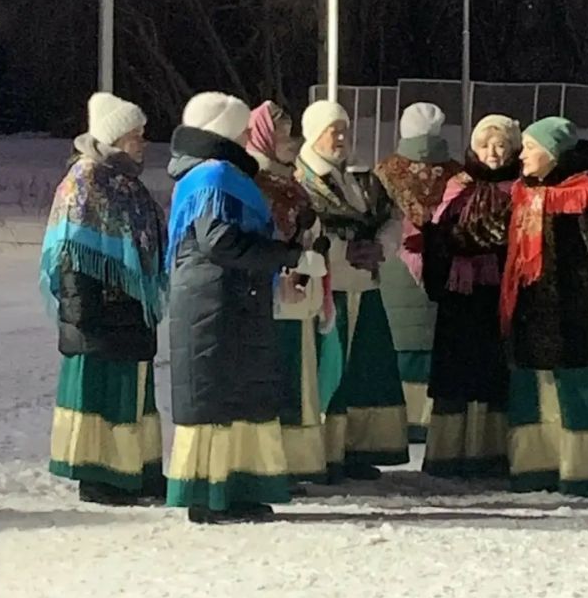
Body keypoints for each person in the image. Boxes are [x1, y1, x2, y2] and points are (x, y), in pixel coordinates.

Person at [164, 92, 325, 524]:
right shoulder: (214, 176)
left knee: (237, 396)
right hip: (216, 303)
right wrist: (288, 256)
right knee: (219, 399)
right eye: (238, 131)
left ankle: (236, 488)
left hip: (228, 300)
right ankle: (211, 495)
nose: (244, 137)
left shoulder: (213, 174)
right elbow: (220, 242)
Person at [41, 92, 166, 506]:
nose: (143, 142)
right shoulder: (85, 182)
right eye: (135, 135)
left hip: (129, 308)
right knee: (103, 393)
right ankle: (100, 475)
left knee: (131, 392)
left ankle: (135, 470)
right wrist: (82, 315)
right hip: (100, 312)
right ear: (114, 138)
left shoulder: (126, 184)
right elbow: (70, 251)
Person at [501, 116, 588, 499]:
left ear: (552, 152)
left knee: (583, 391)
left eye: (530, 147)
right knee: (537, 393)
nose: (521, 155)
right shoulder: (524, 191)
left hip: (573, 316)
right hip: (531, 311)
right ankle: (539, 465)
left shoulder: (586, 192)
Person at [297, 100, 409, 481]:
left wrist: (381, 246)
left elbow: (392, 217)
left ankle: (356, 447)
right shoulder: (302, 179)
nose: (342, 138)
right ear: (315, 133)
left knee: (363, 371)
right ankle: (323, 453)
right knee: (329, 370)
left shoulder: (362, 178)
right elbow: (305, 230)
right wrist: (344, 251)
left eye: (345, 130)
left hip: (365, 284)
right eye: (334, 131)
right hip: (329, 288)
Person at [421, 114, 520, 478]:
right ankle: (448, 452)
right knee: (456, 371)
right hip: (459, 296)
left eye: (500, 145)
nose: (492, 153)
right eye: (484, 145)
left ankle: (490, 452)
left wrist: (461, 239)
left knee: (493, 371)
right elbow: (437, 232)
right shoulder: (457, 185)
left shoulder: (518, 190)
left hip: (498, 292)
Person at [248, 99, 329, 485]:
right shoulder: (258, 182)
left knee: (298, 375)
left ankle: (298, 460)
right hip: (275, 293)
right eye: (283, 134)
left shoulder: (288, 181)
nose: (292, 141)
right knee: (279, 376)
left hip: (300, 289)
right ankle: (274, 460)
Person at [375, 103, 460, 442]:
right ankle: (431, 417)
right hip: (444, 268)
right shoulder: (456, 174)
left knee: (399, 341)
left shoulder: (385, 171)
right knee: (434, 342)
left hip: (396, 268)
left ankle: (399, 418)